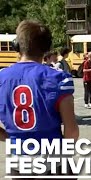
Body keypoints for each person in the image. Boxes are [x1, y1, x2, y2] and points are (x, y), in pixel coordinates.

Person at [0, 20, 79, 176]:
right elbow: (72, 131)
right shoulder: (58, 79)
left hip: (18, 160)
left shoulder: (2, 78)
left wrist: (12, 138)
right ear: (47, 48)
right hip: (53, 158)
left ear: (17, 46)